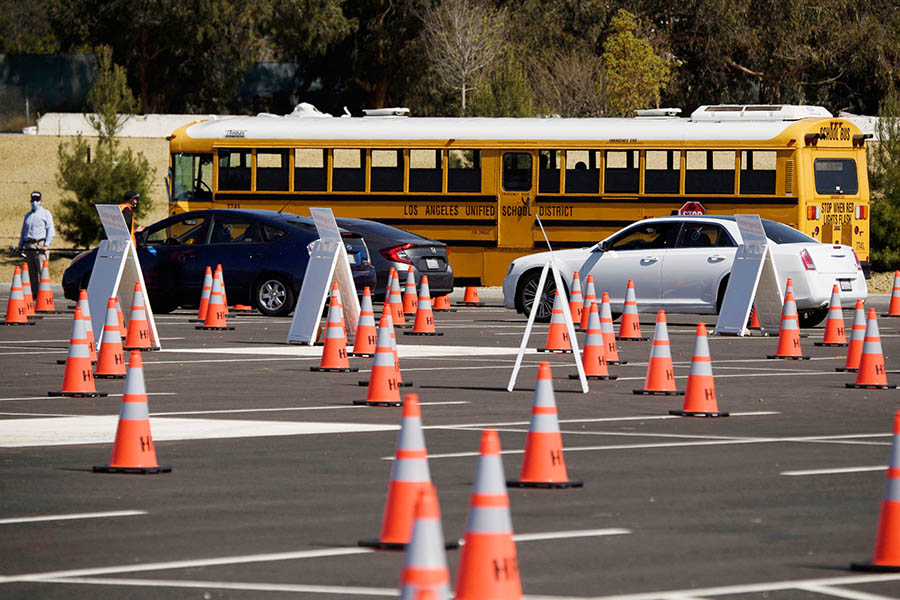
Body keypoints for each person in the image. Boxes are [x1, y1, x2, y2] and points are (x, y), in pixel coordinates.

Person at [16, 191, 55, 291]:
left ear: (41, 201)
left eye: (37, 200)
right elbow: (23, 232)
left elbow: (50, 230)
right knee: (31, 273)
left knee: (42, 271)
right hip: (29, 246)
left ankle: (44, 294)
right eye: (33, 200)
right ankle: (34, 294)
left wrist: (46, 245)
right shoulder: (28, 216)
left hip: (40, 245)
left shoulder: (46, 214)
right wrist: (20, 246)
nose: (34, 203)